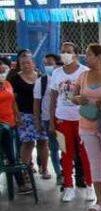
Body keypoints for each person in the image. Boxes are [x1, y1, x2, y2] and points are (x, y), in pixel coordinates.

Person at [70, 44, 101, 211]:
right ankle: (100, 201)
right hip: (86, 125)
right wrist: (78, 99)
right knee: (95, 163)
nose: (86, 58)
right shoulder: (83, 76)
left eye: (89, 55)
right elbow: (71, 96)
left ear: (99, 57)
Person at [49, 42, 93, 202]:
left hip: (82, 119)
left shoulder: (85, 72)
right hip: (62, 118)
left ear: (76, 55)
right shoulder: (56, 73)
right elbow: (53, 97)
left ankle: (90, 186)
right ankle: (68, 186)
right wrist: (52, 120)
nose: (65, 54)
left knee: (85, 153)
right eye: (63, 52)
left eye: (69, 52)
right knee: (65, 152)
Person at [8, 50, 41, 192]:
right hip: (24, 115)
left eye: (28, 62)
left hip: (39, 115)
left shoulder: (40, 77)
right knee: (27, 143)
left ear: (33, 63)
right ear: (19, 65)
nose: (26, 65)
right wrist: (17, 116)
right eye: (23, 63)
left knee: (43, 142)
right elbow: (12, 99)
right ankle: (24, 170)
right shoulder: (14, 79)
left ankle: (43, 168)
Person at [33, 54, 63, 184]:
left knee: (66, 147)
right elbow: (37, 102)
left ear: (57, 64)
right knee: (53, 147)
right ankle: (59, 174)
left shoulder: (64, 79)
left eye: (50, 63)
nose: (48, 66)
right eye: (45, 64)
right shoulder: (42, 81)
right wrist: (38, 121)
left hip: (64, 118)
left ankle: (68, 171)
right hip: (47, 118)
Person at [0, 58, 27, 192]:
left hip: (10, 123)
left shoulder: (7, 84)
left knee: (13, 154)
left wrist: (18, 117)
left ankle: (20, 183)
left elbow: (12, 101)